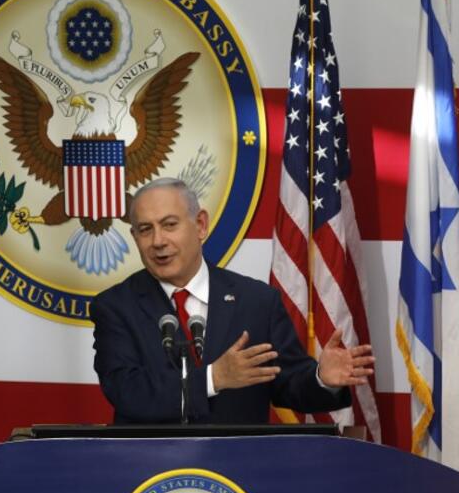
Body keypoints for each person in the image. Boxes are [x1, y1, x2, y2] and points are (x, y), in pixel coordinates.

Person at [92, 178, 375, 424]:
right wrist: (213, 378)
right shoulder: (116, 307)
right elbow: (128, 392)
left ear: (200, 225)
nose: (157, 241)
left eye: (169, 225)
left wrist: (321, 379)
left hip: (239, 472)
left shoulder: (257, 301)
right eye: (145, 229)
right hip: (153, 477)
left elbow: (288, 382)